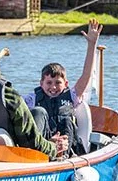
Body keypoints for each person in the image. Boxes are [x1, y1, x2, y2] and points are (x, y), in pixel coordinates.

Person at [24, 18, 102, 155]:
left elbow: (86, 75)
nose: (53, 87)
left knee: (66, 121)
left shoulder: (72, 96)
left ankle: (64, 156)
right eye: (49, 83)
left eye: (58, 83)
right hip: (44, 146)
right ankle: (36, 154)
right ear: (41, 83)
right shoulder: (31, 99)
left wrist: (92, 44)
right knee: (37, 111)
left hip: (67, 147)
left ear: (65, 84)